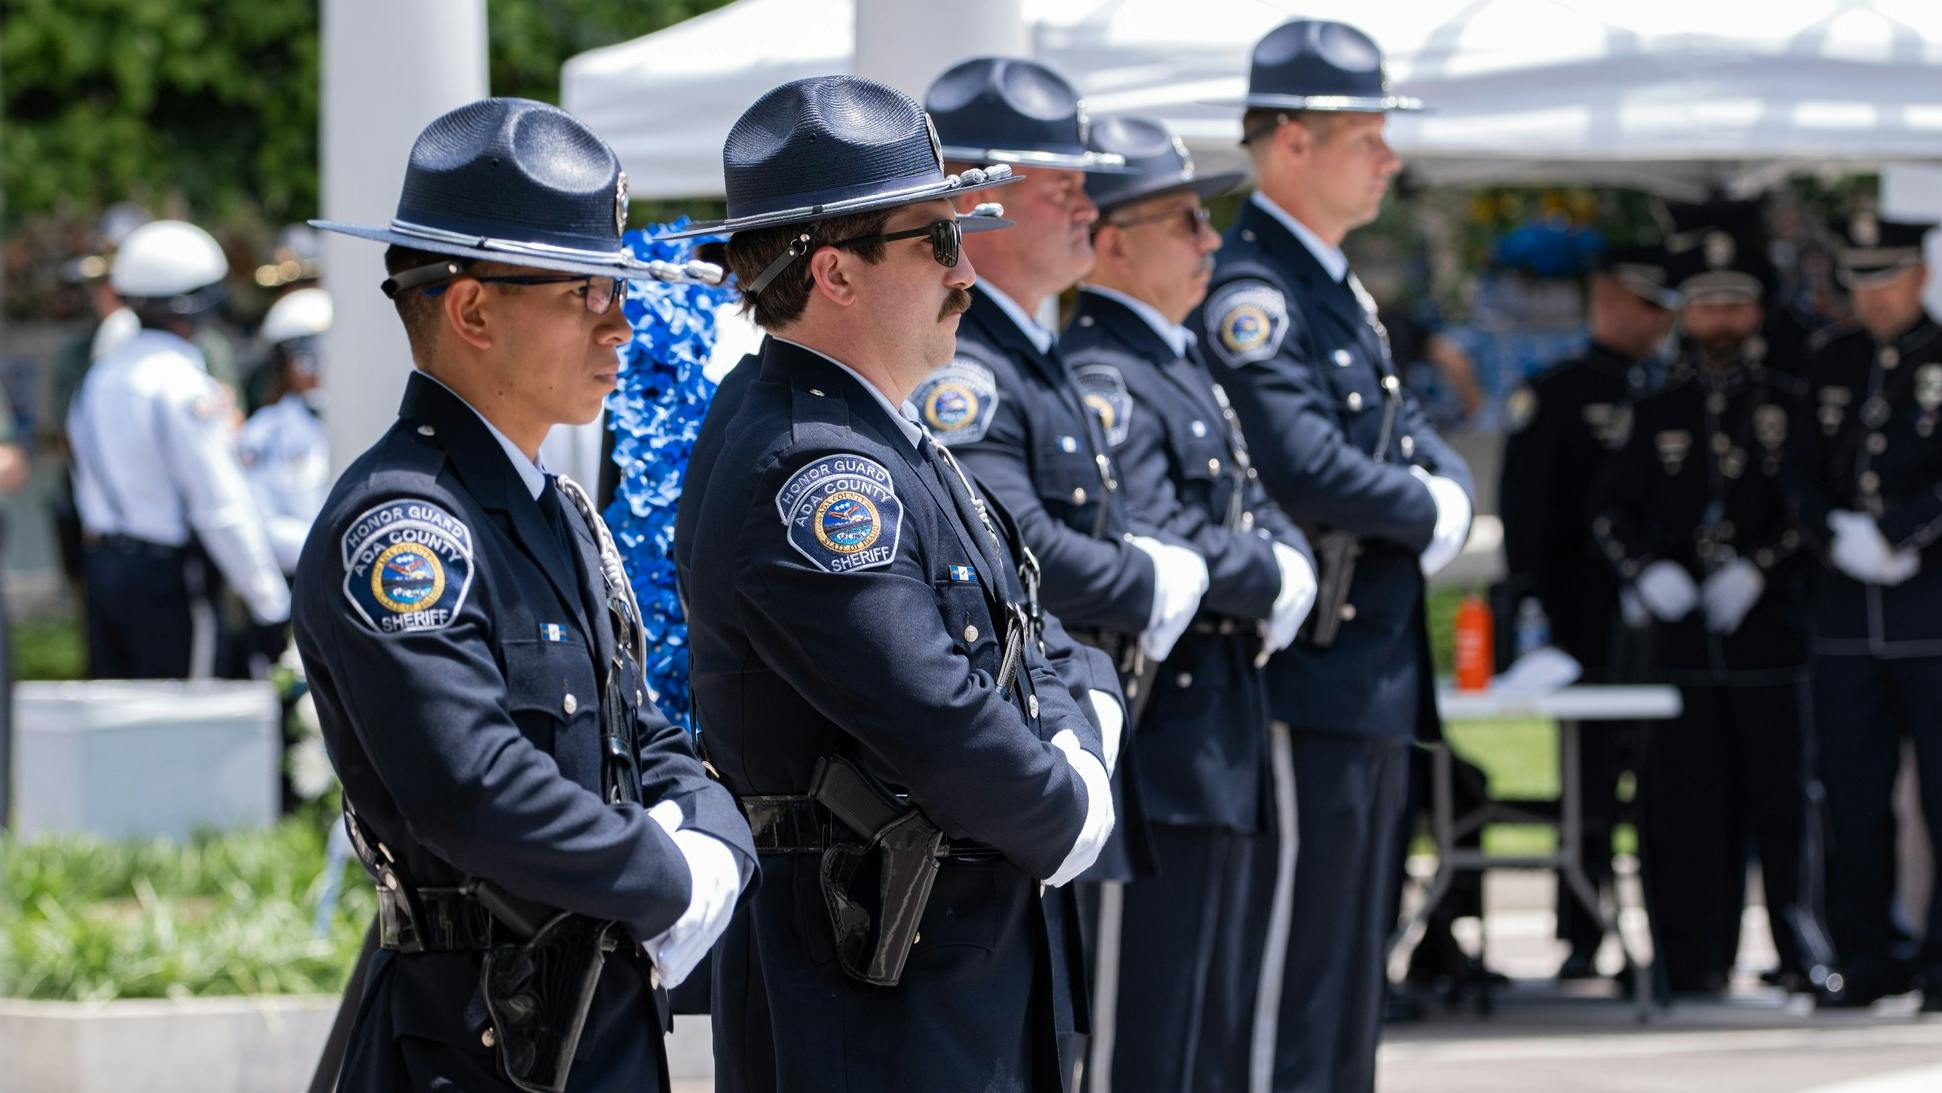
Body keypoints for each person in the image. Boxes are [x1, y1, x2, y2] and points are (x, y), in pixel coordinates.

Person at [674, 74, 1124, 1092]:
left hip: (936, 961)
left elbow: (1033, 634)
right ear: (834, 272)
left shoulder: (880, 432)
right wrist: (1068, 802)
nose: (965, 274)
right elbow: (931, 712)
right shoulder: (812, 465)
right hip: (867, 985)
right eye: (936, 241)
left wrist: (1073, 731)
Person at [298, 97, 755, 1092]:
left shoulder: (550, 510)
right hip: (471, 1041)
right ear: (471, 310)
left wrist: (717, 831)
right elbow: (475, 787)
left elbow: (647, 735)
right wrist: (671, 877)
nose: (621, 324)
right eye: (586, 293)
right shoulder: (404, 528)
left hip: (593, 1021)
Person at [1192, 19, 1475, 1092]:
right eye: (1366, 135)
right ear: (1290, 143)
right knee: (1291, 970)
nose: (1388, 159)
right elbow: (1303, 461)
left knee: (1350, 966)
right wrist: (1434, 509)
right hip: (1307, 670)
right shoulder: (1254, 285)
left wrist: (1435, 485)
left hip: (1362, 669)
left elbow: (1394, 429)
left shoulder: (1326, 283)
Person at [1061, 114, 1317, 1092]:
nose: (1212, 241)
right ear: (1114, 240)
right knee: (1142, 1038)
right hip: (1163, 745)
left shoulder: (1173, 363)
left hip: (1215, 741)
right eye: (1184, 223)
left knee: (1204, 1035)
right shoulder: (1105, 375)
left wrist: (1278, 557)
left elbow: (1255, 510)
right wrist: (1272, 572)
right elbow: (1159, 534)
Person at [1593, 217, 1822, 997]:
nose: (1719, 321)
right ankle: (1690, 955)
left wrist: (1761, 569)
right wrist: (1647, 571)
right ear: (1684, 313)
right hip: (1682, 645)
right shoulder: (1653, 407)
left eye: (1733, 304)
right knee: (1683, 806)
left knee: (1784, 803)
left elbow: (1811, 506)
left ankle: (1801, 947)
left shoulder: (1789, 402)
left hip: (1771, 635)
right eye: (1704, 305)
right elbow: (1610, 510)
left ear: (1755, 311)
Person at [1499, 243, 1678, 979]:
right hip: (1582, 611)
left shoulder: (1666, 387)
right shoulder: (1560, 392)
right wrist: (1533, 600)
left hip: (1666, 606)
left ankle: (1676, 934)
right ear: (1608, 302)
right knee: (1589, 777)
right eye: (1644, 304)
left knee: (1667, 774)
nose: (1659, 320)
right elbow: (1529, 509)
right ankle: (1583, 928)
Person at [1789, 212, 1942, 1011]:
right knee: (1849, 792)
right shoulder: (1832, 360)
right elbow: (1799, 470)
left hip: (1930, 609)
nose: (1874, 297)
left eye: (1887, 279)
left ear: (1919, 274)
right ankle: (1863, 953)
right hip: (1848, 613)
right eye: (1862, 281)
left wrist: (1900, 531)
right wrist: (1835, 532)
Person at [66, 219, 289, 679]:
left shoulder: (99, 379)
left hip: (104, 572)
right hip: (167, 581)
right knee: (184, 725)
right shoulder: (184, 387)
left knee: (121, 721)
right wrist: (269, 601)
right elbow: (219, 504)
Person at [240, 286, 332, 577]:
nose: (317, 370)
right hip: (305, 572)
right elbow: (263, 523)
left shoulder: (372, 413)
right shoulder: (264, 434)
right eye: (305, 358)